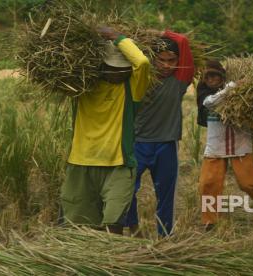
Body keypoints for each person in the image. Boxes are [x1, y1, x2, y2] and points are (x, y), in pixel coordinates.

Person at [60, 27, 150, 235]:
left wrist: (117, 38)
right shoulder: (82, 87)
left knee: (114, 224)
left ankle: (113, 262)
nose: (121, 73)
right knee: (80, 226)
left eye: (124, 69)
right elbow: (64, 62)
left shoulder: (132, 89)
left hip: (117, 165)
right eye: (114, 68)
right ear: (102, 67)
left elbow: (143, 63)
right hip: (81, 163)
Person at [125, 30, 195, 236]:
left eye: (171, 60)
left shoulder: (180, 80)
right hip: (137, 143)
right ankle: (133, 226)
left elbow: (182, 40)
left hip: (166, 144)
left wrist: (160, 33)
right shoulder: (141, 76)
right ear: (151, 59)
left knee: (166, 195)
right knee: (126, 190)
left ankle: (164, 236)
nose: (166, 65)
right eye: (161, 60)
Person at [197, 60, 253, 230]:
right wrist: (232, 87)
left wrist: (237, 87)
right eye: (207, 76)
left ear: (221, 76)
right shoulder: (205, 92)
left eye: (214, 75)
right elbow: (209, 103)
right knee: (208, 183)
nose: (211, 79)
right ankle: (210, 220)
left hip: (240, 141)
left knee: (249, 183)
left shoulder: (241, 91)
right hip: (216, 144)